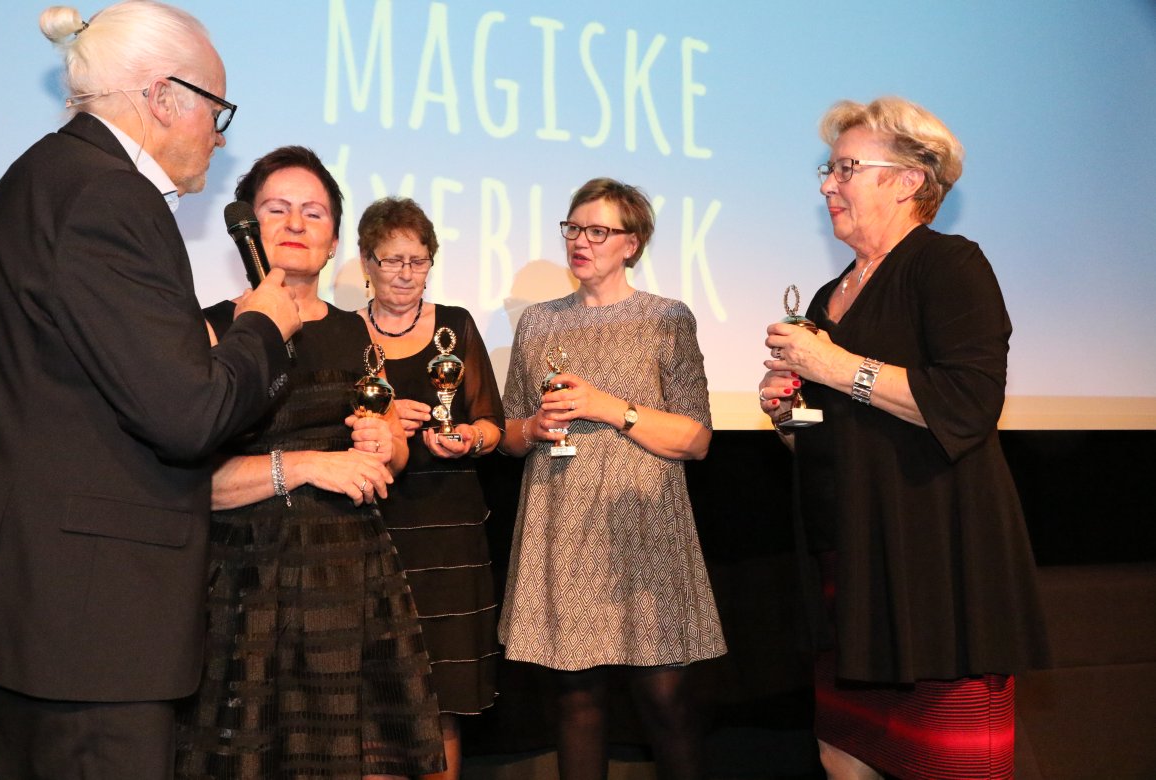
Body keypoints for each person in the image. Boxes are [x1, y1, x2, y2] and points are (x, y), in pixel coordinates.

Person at [0, 3, 301, 778]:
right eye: (217, 109)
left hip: (48, 611)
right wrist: (262, 327)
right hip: (94, 627)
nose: (220, 135)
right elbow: (188, 416)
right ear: (164, 97)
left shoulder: (40, 179)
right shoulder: (107, 197)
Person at [758, 97, 1050, 780]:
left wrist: (832, 365)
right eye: (827, 170)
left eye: (846, 168)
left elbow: (966, 405)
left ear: (908, 180)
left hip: (935, 572)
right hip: (852, 574)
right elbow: (833, 444)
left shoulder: (947, 265)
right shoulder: (831, 293)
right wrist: (788, 417)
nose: (828, 184)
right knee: (845, 758)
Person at [174, 148, 446, 779]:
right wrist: (303, 466)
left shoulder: (358, 334)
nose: (295, 223)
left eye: (313, 212)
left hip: (349, 581)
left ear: (331, 244)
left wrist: (388, 445)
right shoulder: (212, 331)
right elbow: (191, 484)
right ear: (248, 227)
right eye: (277, 208)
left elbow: (388, 455)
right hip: (244, 588)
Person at [497, 178, 726, 780]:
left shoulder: (665, 319)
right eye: (572, 228)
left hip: (642, 527)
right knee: (576, 703)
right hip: (561, 521)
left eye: (597, 231)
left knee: (665, 699)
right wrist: (534, 427)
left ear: (633, 243)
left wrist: (608, 407)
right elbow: (509, 432)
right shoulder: (538, 324)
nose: (580, 242)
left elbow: (697, 438)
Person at [356, 196, 504, 780]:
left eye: (417, 261)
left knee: (443, 696)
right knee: (375, 695)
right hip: (375, 527)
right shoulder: (346, 335)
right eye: (392, 261)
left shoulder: (457, 325)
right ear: (367, 262)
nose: (405, 274)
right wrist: (384, 423)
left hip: (450, 533)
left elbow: (493, 423)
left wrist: (467, 438)